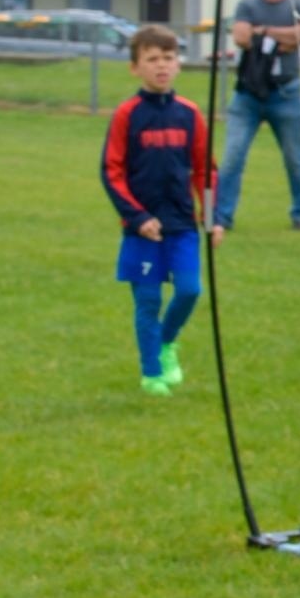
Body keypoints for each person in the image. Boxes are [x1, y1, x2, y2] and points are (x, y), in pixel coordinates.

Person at [101, 26, 217, 397]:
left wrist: (212, 219)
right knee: (148, 300)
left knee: (189, 290)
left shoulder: (190, 114)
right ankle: (151, 373)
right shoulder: (127, 115)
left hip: (182, 224)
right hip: (142, 229)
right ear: (135, 67)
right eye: (152, 59)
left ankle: (166, 344)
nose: (161, 66)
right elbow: (111, 171)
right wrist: (138, 218)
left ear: (178, 64)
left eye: (168, 58)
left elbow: (204, 170)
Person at [212, 0, 300, 237]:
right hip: (248, 95)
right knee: (232, 156)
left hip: (286, 92)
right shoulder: (247, 5)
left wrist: (264, 30)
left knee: (295, 158)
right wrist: (284, 35)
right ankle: (222, 217)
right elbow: (242, 37)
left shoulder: (298, 4)